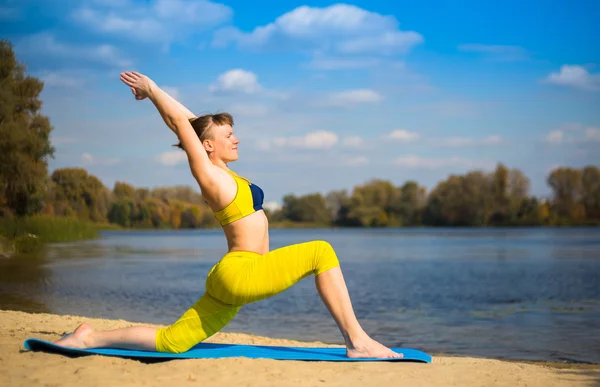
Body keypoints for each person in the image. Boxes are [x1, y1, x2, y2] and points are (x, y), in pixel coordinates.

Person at [55, 71, 402, 359]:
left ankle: (90, 337)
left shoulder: (227, 174)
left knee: (173, 341)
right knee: (321, 251)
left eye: (233, 133)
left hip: (235, 276)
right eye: (227, 135)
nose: (236, 139)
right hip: (242, 271)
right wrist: (153, 90)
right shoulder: (210, 176)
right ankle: (357, 341)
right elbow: (183, 125)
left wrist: (159, 101)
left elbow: (188, 122)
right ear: (207, 145)